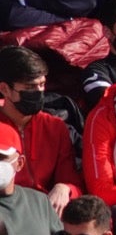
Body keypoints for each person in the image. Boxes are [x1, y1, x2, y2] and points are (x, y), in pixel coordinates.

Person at [0, 48, 82, 212]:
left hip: (45, 210)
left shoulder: (55, 127)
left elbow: (73, 181)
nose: (38, 92)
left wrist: (65, 188)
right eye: (30, 87)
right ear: (4, 89)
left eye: (42, 85)